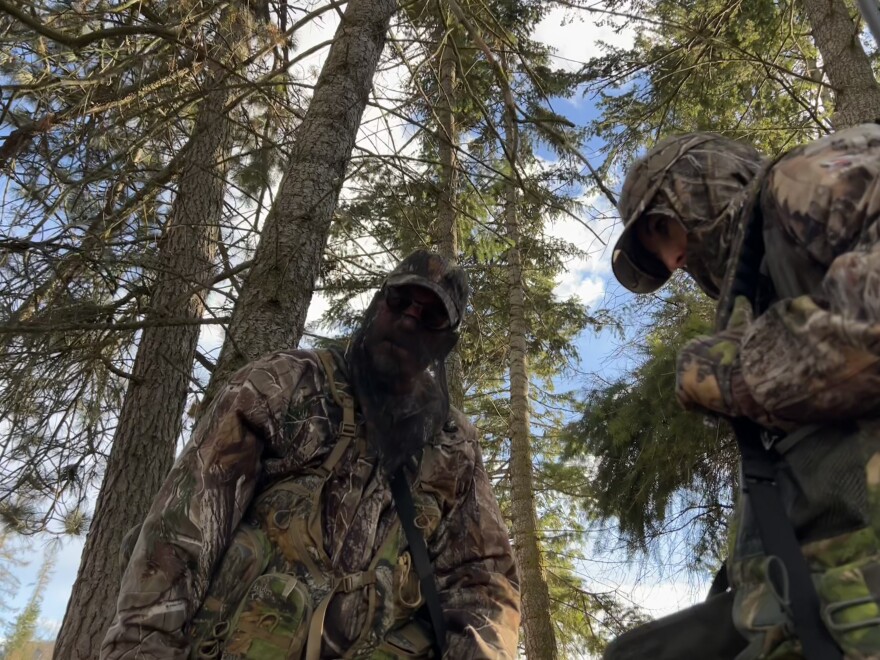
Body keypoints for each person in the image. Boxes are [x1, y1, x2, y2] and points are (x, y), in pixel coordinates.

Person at [101, 250, 521, 659]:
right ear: (379, 305)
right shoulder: (284, 384)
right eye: (401, 300)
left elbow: (484, 582)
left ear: (444, 342)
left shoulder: (454, 445)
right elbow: (181, 532)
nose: (411, 316)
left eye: (431, 315)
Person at [610, 124, 880, 658]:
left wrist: (728, 372)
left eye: (664, 230)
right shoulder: (757, 286)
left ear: (697, 185)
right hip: (819, 590)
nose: (674, 262)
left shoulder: (795, 183)